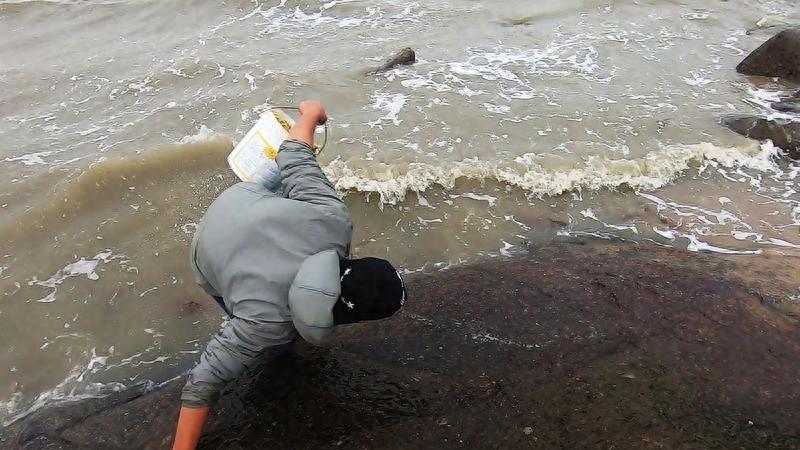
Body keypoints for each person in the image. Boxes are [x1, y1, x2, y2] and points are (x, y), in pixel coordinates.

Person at [171, 100, 407, 450]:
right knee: (264, 334)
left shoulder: (333, 218)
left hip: (236, 203)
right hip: (203, 254)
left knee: (292, 178)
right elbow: (204, 379)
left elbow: (295, 153)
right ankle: (266, 341)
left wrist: (311, 113)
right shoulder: (267, 322)